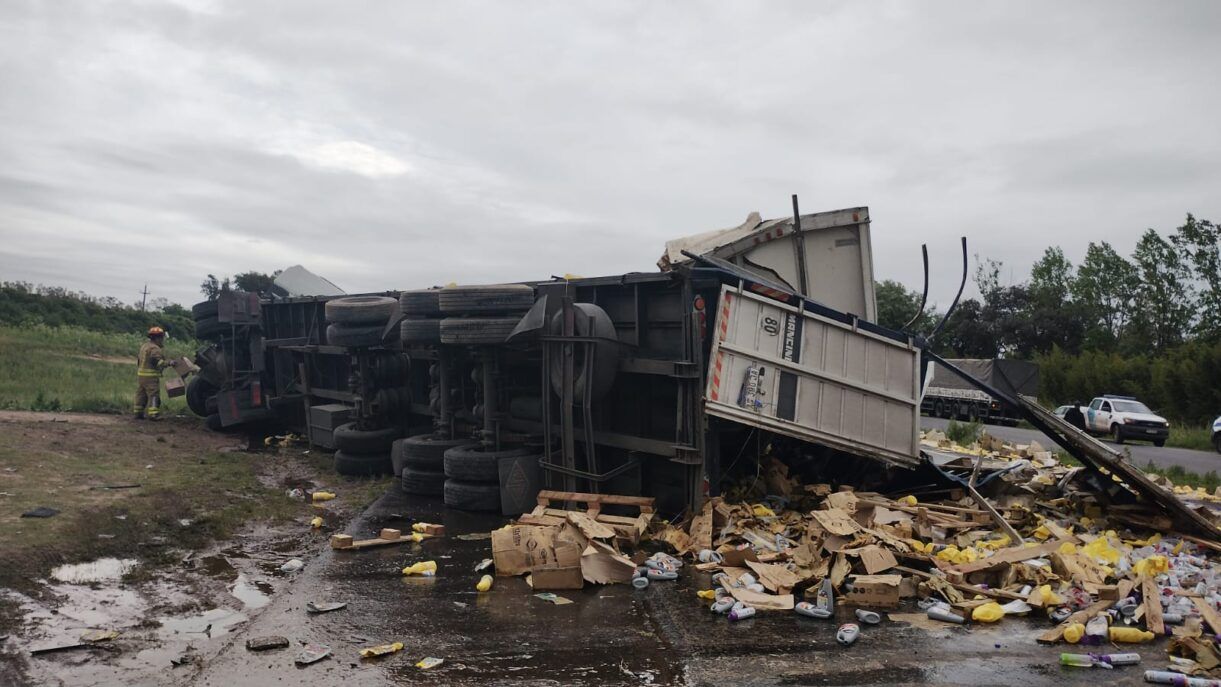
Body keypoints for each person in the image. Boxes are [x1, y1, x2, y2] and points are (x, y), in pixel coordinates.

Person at [134, 326, 171, 420]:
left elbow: (139, 360)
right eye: (162, 338)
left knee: (141, 394)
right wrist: (169, 363)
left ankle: (138, 413)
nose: (162, 340)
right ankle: (153, 414)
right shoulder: (155, 349)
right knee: (154, 395)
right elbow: (158, 361)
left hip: (141, 376)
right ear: (158, 338)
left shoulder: (144, 346)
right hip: (150, 377)